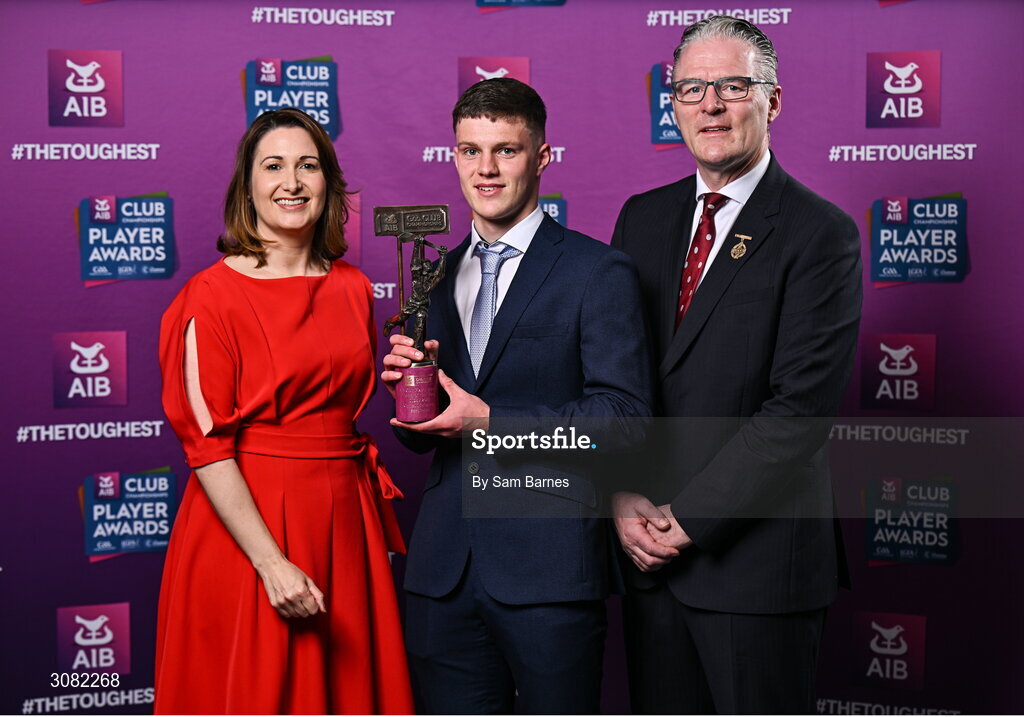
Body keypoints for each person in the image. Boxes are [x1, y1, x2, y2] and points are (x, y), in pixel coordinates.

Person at [610, 15, 862, 714]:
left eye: (731, 85)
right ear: (674, 105)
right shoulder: (642, 219)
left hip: (756, 574)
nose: (710, 105)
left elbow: (796, 415)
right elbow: (617, 381)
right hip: (648, 567)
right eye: (691, 89)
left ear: (772, 102)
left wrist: (681, 522)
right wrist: (621, 497)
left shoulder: (820, 234)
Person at [381, 78, 652, 714]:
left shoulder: (597, 271)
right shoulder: (433, 277)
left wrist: (488, 420)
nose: (486, 169)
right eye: (470, 151)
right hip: (443, 573)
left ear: (543, 156)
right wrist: (409, 400)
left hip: (549, 572)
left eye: (506, 150)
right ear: (453, 155)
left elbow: (626, 420)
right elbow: (422, 436)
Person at [154, 108, 413, 714]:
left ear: (328, 183)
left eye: (308, 165)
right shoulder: (209, 297)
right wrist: (271, 564)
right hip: (250, 531)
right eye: (273, 166)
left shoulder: (352, 286)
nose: (291, 182)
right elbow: (208, 448)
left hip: (345, 522)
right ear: (247, 187)